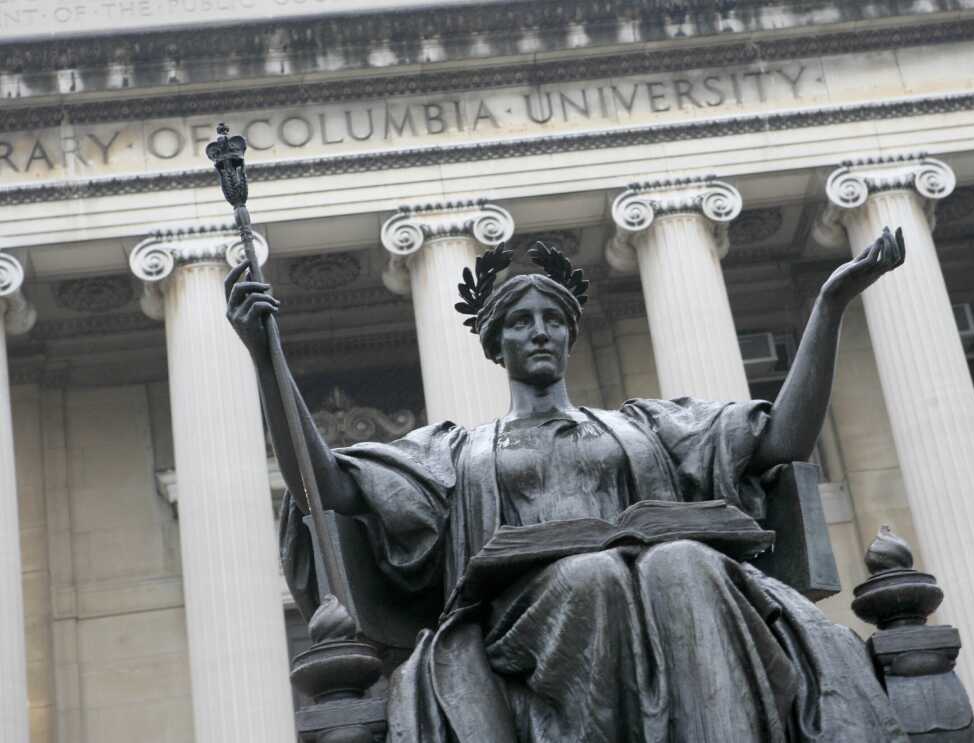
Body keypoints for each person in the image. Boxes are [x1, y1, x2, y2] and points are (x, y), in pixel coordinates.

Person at [226, 230, 910, 742]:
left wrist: (830, 304)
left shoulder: (646, 427)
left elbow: (782, 438)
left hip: (658, 586)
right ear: (497, 344)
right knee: (591, 577)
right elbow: (326, 482)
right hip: (524, 615)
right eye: (522, 322)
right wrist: (265, 356)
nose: (541, 331)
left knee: (687, 562)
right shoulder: (458, 452)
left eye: (553, 320)